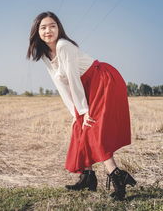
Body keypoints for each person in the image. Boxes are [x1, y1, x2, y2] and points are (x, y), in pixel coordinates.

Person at [27, 11, 136, 200]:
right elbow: (61, 85)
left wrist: (84, 111)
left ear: (59, 28)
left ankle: (117, 176)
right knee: (80, 127)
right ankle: (88, 177)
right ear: (37, 32)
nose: (48, 30)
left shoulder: (63, 46)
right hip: (87, 86)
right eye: (43, 27)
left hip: (103, 80)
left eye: (53, 26)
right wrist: (75, 114)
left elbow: (72, 78)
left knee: (92, 127)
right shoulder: (45, 55)